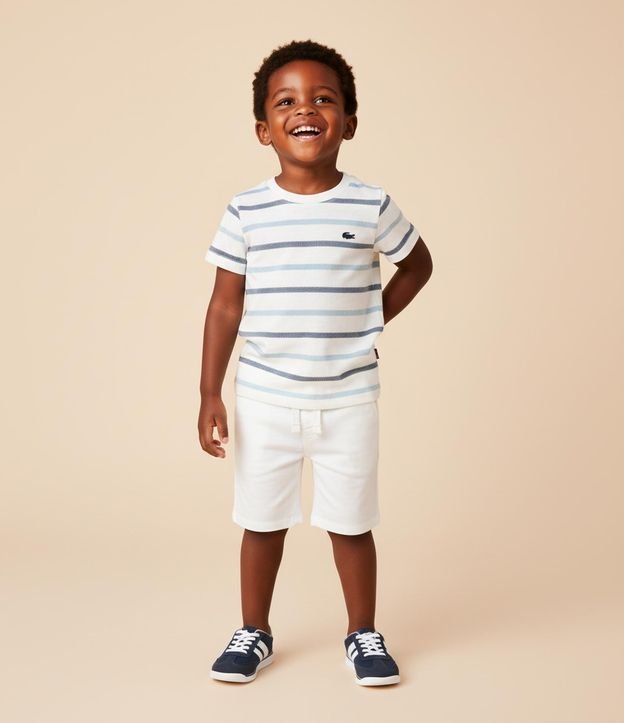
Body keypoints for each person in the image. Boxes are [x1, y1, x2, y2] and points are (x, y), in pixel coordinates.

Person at [198, 39, 433, 686]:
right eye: (286, 102)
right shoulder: (246, 209)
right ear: (263, 129)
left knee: (351, 523)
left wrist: (372, 318)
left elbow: (418, 265)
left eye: (323, 99)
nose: (305, 109)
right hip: (265, 398)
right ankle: (254, 630)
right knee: (261, 522)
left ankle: (362, 633)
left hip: (349, 398)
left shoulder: (370, 203)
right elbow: (224, 305)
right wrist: (209, 393)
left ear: (348, 123)